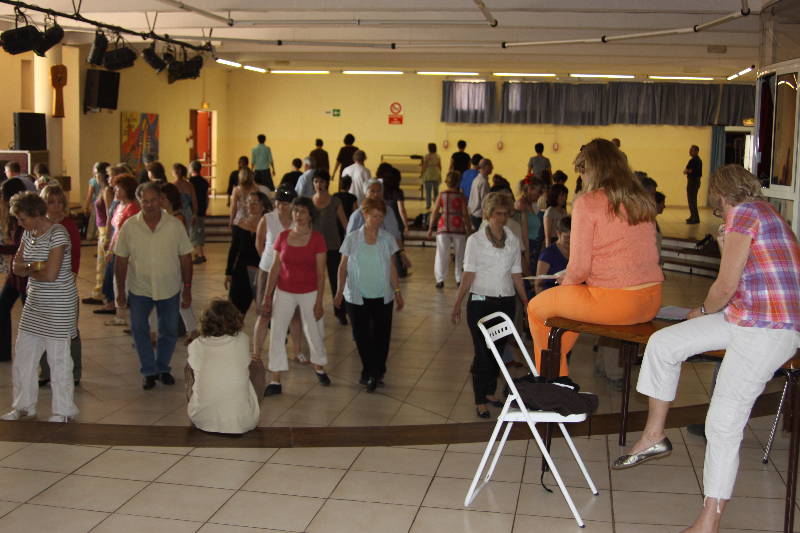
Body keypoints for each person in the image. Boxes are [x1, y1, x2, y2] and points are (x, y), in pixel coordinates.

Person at [613, 165, 800, 533]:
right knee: (664, 343)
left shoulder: (744, 213)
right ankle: (654, 435)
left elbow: (725, 284)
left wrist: (701, 310)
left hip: (770, 327)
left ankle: (708, 522)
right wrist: (721, 250)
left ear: (719, 194)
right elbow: (745, 275)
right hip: (746, 316)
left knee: (723, 423)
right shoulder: (765, 213)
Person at [527, 138, 663, 376]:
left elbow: (579, 269)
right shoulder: (640, 199)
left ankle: (551, 379)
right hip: (650, 299)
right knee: (565, 312)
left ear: (593, 170)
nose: (583, 180)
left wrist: (565, 284)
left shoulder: (587, 202)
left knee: (536, 308)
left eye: (583, 173)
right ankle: (554, 369)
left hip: (617, 302)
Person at [451, 192, 528, 418]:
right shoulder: (475, 241)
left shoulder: (512, 240)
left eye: (505, 214)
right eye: (497, 214)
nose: (501, 218)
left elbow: (516, 274)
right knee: (483, 352)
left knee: (497, 352)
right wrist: (456, 304)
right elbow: (468, 274)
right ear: (488, 213)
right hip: (480, 303)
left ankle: (490, 392)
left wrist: (525, 301)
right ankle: (479, 399)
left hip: (505, 302)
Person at [3, 192, 78, 422]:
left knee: (58, 359)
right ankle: (24, 406)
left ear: (36, 214)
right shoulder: (28, 233)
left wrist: (30, 268)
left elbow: (52, 274)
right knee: (24, 356)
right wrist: (36, 266)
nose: (19, 222)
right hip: (34, 304)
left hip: (59, 305)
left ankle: (63, 411)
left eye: (22, 218)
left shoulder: (58, 234)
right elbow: (15, 267)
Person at [114, 182, 193, 390]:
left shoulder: (175, 225)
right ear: (139, 202)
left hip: (169, 287)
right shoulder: (130, 226)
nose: (149, 205)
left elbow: (186, 258)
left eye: (153, 200)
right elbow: (120, 260)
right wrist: (120, 291)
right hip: (140, 288)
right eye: (145, 201)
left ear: (161, 199)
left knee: (168, 330)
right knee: (139, 329)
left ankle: (163, 367)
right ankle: (148, 370)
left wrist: (187, 287)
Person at [261, 197, 331, 395]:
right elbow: (274, 268)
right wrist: (267, 296)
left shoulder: (317, 239)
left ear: (310, 216)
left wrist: (319, 302)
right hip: (284, 291)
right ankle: (275, 379)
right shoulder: (282, 237)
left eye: (303, 212)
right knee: (277, 332)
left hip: (309, 292)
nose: (298, 215)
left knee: (314, 330)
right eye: (296, 211)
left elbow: (320, 273)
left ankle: (319, 366)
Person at [335, 197, 404, 392]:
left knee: (382, 336)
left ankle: (376, 372)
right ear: (364, 215)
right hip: (356, 296)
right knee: (362, 335)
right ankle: (369, 370)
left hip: (382, 296)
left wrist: (397, 291)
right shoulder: (352, 238)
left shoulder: (387, 239)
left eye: (380, 216)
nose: (377, 220)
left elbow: (391, 267)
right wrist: (339, 291)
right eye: (374, 216)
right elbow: (342, 267)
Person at [186, 299, 260, 434]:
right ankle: (249, 406)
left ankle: (201, 404)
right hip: (243, 422)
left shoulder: (196, 345)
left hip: (201, 419)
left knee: (190, 366)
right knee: (256, 364)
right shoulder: (243, 339)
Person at [37, 185, 82, 387]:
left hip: (64, 285)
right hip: (43, 285)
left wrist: (70, 278)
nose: (55, 207)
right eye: (50, 202)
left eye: (58, 202)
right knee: (42, 329)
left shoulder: (68, 225)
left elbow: (75, 256)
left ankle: (74, 372)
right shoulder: (38, 226)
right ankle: (46, 371)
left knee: (69, 330)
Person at [253, 188, 302, 361]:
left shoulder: (299, 220)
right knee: (264, 313)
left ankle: (297, 352)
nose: (282, 206)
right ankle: (257, 353)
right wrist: (269, 261)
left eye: (286, 203)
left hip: (292, 272)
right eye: (279, 203)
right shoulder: (268, 219)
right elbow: (259, 242)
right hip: (268, 269)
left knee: (295, 315)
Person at [96, 175, 141, 326]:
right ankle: (119, 314)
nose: (115, 190)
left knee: (124, 282)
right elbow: (115, 230)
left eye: (118, 188)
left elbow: (130, 232)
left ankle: (126, 315)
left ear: (127, 189)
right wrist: (109, 247)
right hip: (116, 248)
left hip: (126, 251)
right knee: (115, 281)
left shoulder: (134, 208)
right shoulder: (119, 206)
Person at [311, 170, 349, 325]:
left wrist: (350, 242)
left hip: (332, 246)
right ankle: (311, 309)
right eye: (316, 181)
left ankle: (340, 312)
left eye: (322, 181)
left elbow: (345, 223)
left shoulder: (335, 202)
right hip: (313, 248)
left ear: (327, 183)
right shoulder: (309, 202)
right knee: (313, 280)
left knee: (336, 280)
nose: (319, 185)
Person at [226, 191, 271, 315]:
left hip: (262, 270)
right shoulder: (240, 224)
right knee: (235, 310)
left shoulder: (270, 225)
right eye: (249, 202)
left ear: (263, 205)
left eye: (255, 202)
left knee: (266, 311)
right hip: (241, 270)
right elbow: (233, 249)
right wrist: (228, 272)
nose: (251, 205)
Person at [0, 178, 29, 362]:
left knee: (31, 317)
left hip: (27, 276)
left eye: (3, 194)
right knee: (2, 308)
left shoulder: (24, 219)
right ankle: (3, 353)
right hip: (16, 275)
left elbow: (21, 247)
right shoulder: (13, 218)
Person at [428, 171, 470, 289]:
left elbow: (435, 212)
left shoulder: (442, 194)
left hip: (443, 226)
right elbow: (465, 214)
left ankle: (440, 279)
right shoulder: (461, 196)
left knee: (441, 254)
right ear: (458, 182)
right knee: (460, 254)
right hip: (458, 227)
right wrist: (469, 228)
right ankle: (458, 279)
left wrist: (430, 228)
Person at [82, 162, 111, 304]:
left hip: (106, 230)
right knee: (100, 264)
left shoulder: (107, 191)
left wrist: (108, 236)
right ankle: (99, 291)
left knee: (103, 264)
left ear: (100, 174)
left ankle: (101, 293)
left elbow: (110, 213)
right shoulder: (102, 190)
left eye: (96, 173)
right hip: (102, 229)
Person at [516, 178, 545, 279]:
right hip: (527, 247)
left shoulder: (532, 205)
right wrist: (526, 257)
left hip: (533, 246)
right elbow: (523, 234)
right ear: (529, 189)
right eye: (539, 191)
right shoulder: (521, 205)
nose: (540, 194)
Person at [535, 215, 570, 294]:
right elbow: (538, 284)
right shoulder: (548, 254)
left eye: (573, 237)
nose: (570, 241)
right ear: (558, 233)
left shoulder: (576, 252)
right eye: (567, 237)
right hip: (551, 298)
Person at [189, 160, 210, 264]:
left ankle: (201, 255)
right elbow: (207, 197)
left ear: (192, 169)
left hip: (193, 210)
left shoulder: (190, 182)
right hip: (202, 209)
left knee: (195, 232)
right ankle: (198, 253)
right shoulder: (204, 182)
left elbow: (190, 198)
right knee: (199, 231)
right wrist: (206, 208)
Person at [172, 163, 198, 234]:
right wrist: (194, 214)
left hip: (176, 213)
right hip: (188, 212)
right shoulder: (189, 185)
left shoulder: (172, 186)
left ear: (174, 172)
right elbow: (194, 201)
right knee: (187, 234)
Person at [468, 158, 492, 230]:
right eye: (491, 166)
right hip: (479, 217)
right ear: (486, 167)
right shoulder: (483, 182)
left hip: (473, 214)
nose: (492, 168)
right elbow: (485, 202)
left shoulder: (476, 179)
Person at [333, 175, 357, 240]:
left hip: (336, 222)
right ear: (349, 186)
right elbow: (355, 212)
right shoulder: (352, 197)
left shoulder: (335, 196)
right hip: (348, 223)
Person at [685, 144, 703, 224]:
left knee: (692, 200)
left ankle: (695, 218)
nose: (690, 151)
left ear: (696, 151)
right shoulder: (694, 160)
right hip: (694, 181)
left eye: (691, 150)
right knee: (691, 200)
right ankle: (693, 216)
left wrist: (687, 171)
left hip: (693, 181)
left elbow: (691, 170)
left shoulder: (695, 160)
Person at [421, 143, 442, 210]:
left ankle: (428, 205)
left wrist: (422, 173)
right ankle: (436, 204)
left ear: (429, 148)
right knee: (436, 191)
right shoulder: (437, 156)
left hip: (428, 173)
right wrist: (439, 173)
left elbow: (425, 166)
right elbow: (439, 166)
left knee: (428, 191)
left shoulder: (426, 156)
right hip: (436, 173)